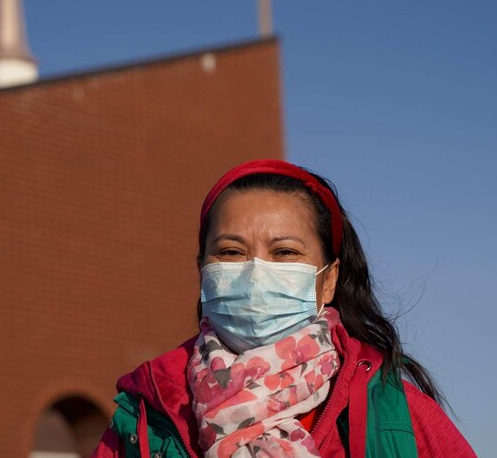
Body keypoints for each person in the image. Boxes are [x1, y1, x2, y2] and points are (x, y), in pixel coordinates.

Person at [92, 159, 476, 458]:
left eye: (285, 253)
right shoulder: (147, 414)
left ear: (328, 280)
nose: (256, 272)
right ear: (203, 271)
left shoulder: (396, 417)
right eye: (230, 252)